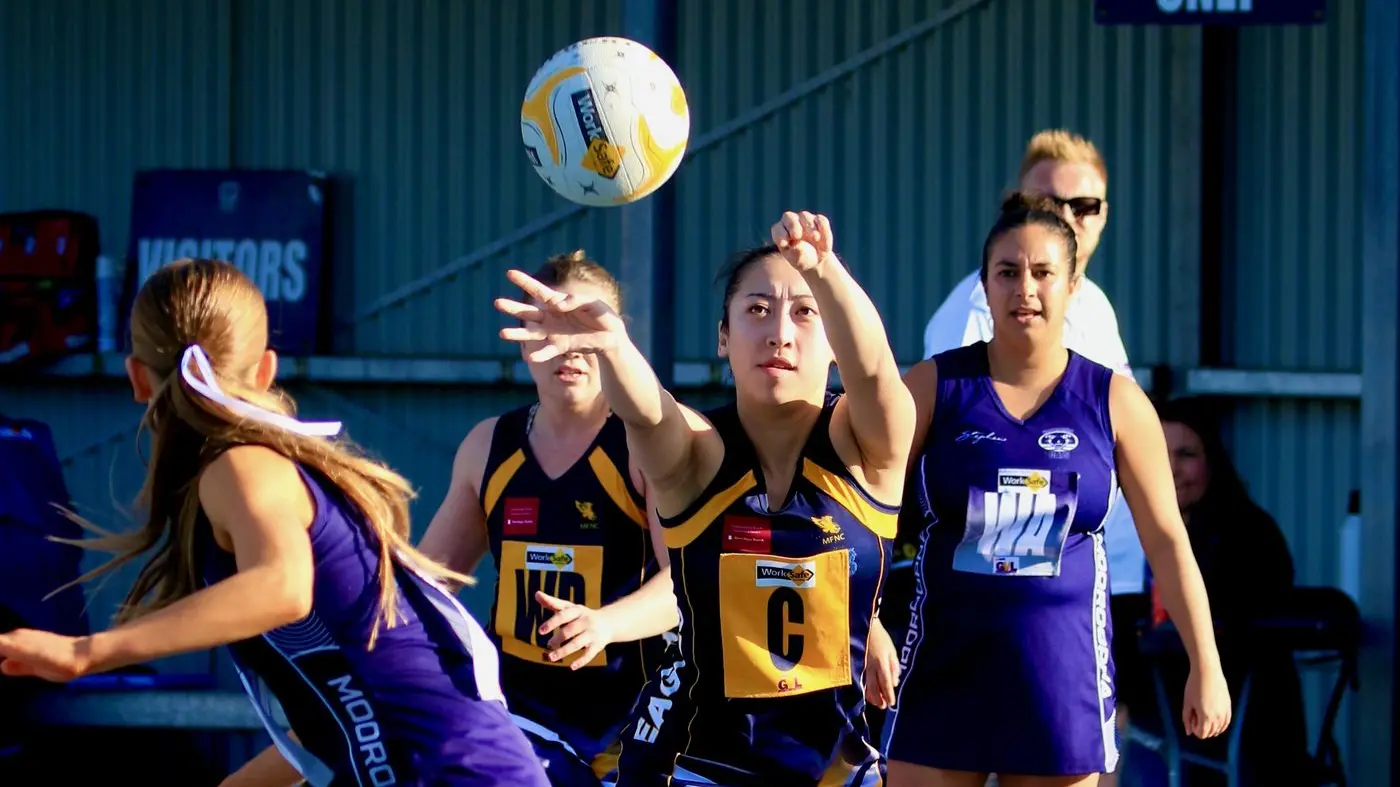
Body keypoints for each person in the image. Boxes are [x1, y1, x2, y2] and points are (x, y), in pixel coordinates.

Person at [0, 259, 549, 787]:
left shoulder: (240, 465)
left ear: (138, 378)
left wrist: (86, 653)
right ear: (265, 369)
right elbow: (337, 714)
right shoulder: (248, 473)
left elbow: (281, 588)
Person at [493, 211, 915, 786]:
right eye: (757, 310)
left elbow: (874, 371)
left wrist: (825, 270)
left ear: (833, 338)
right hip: (692, 762)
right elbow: (646, 412)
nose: (780, 333)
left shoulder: (870, 449)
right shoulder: (698, 452)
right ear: (723, 337)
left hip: (834, 764)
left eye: (804, 311)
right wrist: (612, 348)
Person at [884, 195, 1231, 787]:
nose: (1025, 288)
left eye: (1043, 273)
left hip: (1060, 674)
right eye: (1007, 272)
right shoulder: (930, 387)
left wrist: (1207, 663)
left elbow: (1169, 541)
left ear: (1073, 286)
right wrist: (863, 624)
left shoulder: (1115, 402)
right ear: (985, 288)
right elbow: (865, 513)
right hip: (943, 667)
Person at [419, 251, 678, 786]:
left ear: (615, 334)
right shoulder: (488, 446)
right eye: (549, 325)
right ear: (521, 331)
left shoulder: (642, 445)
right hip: (517, 713)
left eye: (584, 326)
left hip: (628, 721)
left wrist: (606, 623)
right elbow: (426, 587)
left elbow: (687, 583)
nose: (569, 347)